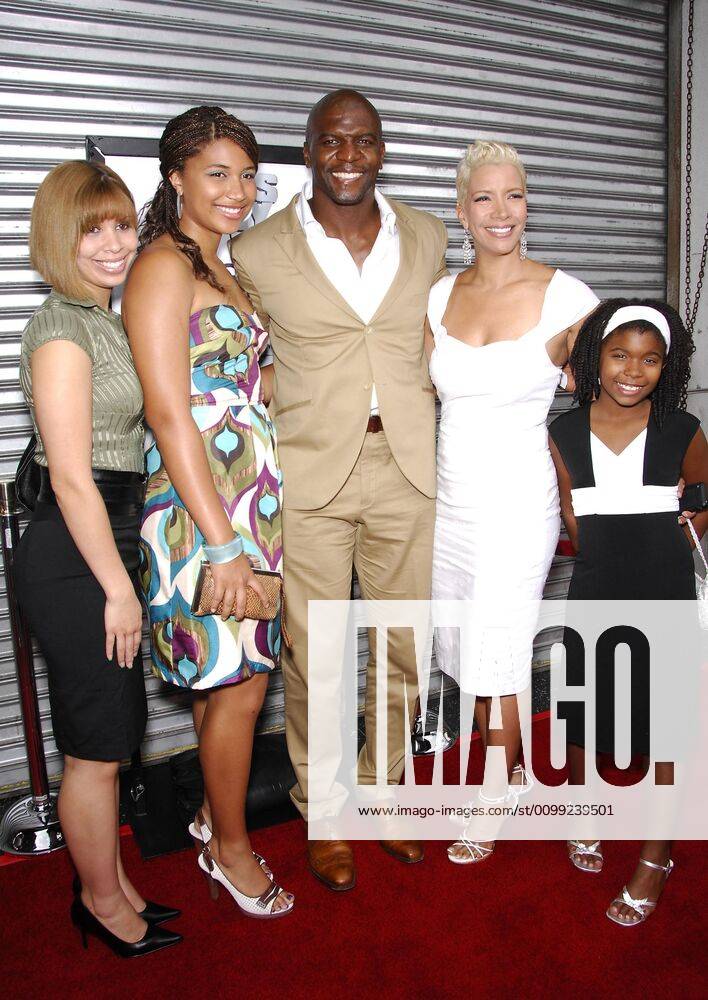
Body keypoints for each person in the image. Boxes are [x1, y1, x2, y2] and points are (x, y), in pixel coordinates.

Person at [231, 88, 448, 891]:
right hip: (310, 472)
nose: (347, 157)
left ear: (381, 149)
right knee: (315, 651)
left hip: (409, 468)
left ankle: (385, 795)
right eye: (331, 141)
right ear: (310, 149)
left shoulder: (427, 236)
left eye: (362, 141)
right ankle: (324, 809)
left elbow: (445, 336)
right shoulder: (255, 252)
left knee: (402, 642)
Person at [122, 106, 293, 919]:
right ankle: (230, 850)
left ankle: (207, 814)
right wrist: (223, 545)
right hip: (204, 512)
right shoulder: (161, 265)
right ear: (175, 177)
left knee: (227, 680)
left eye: (248, 173)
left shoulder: (224, 267)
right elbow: (166, 411)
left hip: (246, 497)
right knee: (241, 686)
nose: (238, 189)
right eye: (218, 172)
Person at [15, 160, 181, 957]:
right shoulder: (61, 326)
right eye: (94, 229)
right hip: (77, 550)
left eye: (122, 224)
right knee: (94, 746)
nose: (115, 243)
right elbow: (73, 478)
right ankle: (99, 902)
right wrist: (118, 589)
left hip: (107, 540)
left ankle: (114, 885)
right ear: (60, 237)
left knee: (113, 734)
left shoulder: (106, 317)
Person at [426, 140, 599, 864]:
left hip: (520, 501)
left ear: (528, 205)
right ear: (463, 211)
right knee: (468, 647)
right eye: (486, 198)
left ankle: (496, 787)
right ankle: (520, 766)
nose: (502, 212)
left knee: (497, 647)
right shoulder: (438, 295)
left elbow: (620, 395)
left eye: (515, 195)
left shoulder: (570, 297)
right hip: (449, 502)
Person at [549, 299, 708, 925]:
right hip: (595, 586)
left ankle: (656, 855)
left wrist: (692, 521)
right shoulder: (562, 431)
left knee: (666, 730)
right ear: (595, 359)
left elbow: (702, 501)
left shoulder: (683, 428)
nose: (633, 370)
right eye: (619, 354)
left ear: (667, 366)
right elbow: (571, 519)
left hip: (666, 589)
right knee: (588, 713)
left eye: (650, 358)